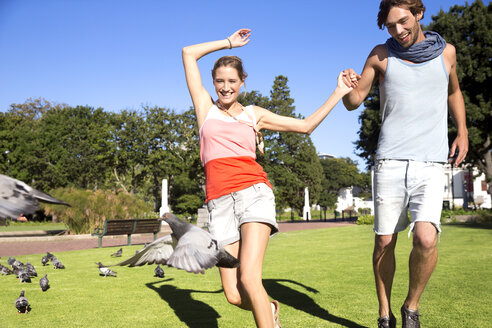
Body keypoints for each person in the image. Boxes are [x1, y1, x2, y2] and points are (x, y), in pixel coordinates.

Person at [182, 28, 353, 328]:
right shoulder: (204, 109)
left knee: (249, 277)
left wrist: (338, 92)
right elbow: (188, 53)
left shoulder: (253, 115)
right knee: (234, 295)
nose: (225, 87)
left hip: (253, 193)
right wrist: (229, 43)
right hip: (218, 203)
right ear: (212, 83)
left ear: (242, 83)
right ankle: (270, 309)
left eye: (232, 81)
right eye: (219, 81)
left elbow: (305, 127)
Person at [341, 1, 468, 327]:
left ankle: (410, 307)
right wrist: (346, 88)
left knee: (426, 238)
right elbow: (355, 101)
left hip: (431, 161)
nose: (398, 31)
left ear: (419, 14)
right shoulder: (381, 54)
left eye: (403, 21)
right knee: (384, 241)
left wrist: (462, 131)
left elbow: (454, 92)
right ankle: (384, 314)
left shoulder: (446, 54)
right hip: (390, 161)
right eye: (390, 26)